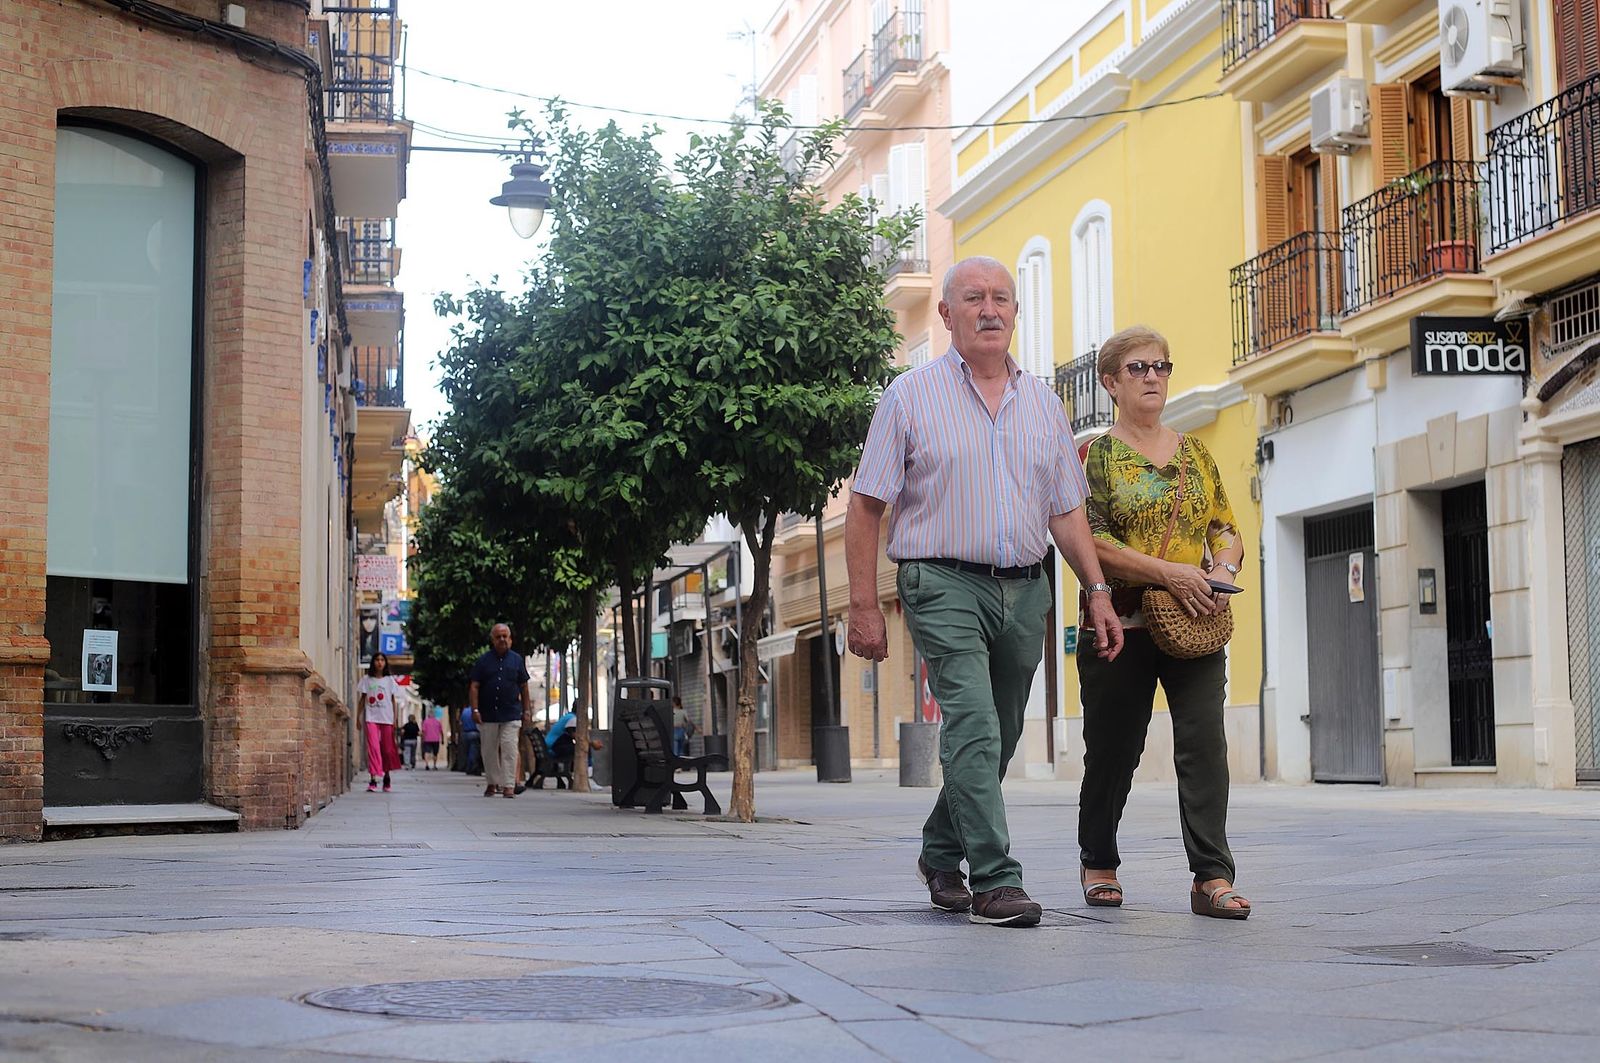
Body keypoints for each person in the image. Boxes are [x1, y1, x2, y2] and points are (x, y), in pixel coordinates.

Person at [846, 256, 1124, 928]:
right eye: (974, 298)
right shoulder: (909, 397)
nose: (990, 309)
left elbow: (1065, 510)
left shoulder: (1043, 405)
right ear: (946, 314)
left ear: (1015, 311)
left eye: (1002, 297)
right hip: (939, 580)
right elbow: (866, 504)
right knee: (972, 722)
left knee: (995, 737)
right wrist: (861, 604)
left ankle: (940, 850)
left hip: (1025, 589)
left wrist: (1097, 588)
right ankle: (996, 879)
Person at [1076, 325, 1250, 920]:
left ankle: (1212, 876)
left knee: (1205, 746)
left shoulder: (1196, 452)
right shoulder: (1097, 454)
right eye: (1138, 368)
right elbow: (1091, 540)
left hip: (1194, 620)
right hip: (1120, 624)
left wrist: (1220, 568)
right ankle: (1098, 859)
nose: (1153, 377)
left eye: (1162, 367)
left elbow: (1225, 526)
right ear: (1111, 383)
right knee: (1114, 750)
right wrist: (1168, 571)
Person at [469, 623, 532, 798]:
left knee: (510, 749)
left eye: (505, 636)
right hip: (488, 714)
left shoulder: (517, 660)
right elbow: (474, 686)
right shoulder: (483, 661)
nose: (502, 639)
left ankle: (509, 785)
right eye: (498, 637)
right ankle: (492, 782)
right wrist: (474, 710)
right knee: (488, 750)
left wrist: (527, 710)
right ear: (493, 640)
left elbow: (524, 686)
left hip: (511, 713)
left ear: (510, 639)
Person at [357, 652, 404, 793]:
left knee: (387, 750)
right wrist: (358, 718)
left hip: (387, 719)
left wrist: (395, 719)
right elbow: (362, 699)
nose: (379, 662)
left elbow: (393, 700)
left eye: (382, 660)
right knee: (373, 748)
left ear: (385, 663)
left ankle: (387, 777)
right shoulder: (366, 679)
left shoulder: (390, 681)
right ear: (373, 662)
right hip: (371, 718)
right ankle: (373, 779)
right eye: (377, 660)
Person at [458, 704, 481, 776]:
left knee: (467, 751)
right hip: (474, 732)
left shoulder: (464, 711)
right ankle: (471, 767)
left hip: (465, 733)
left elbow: (460, 723)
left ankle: (467, 766)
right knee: (473, 751)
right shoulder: (477, 711)